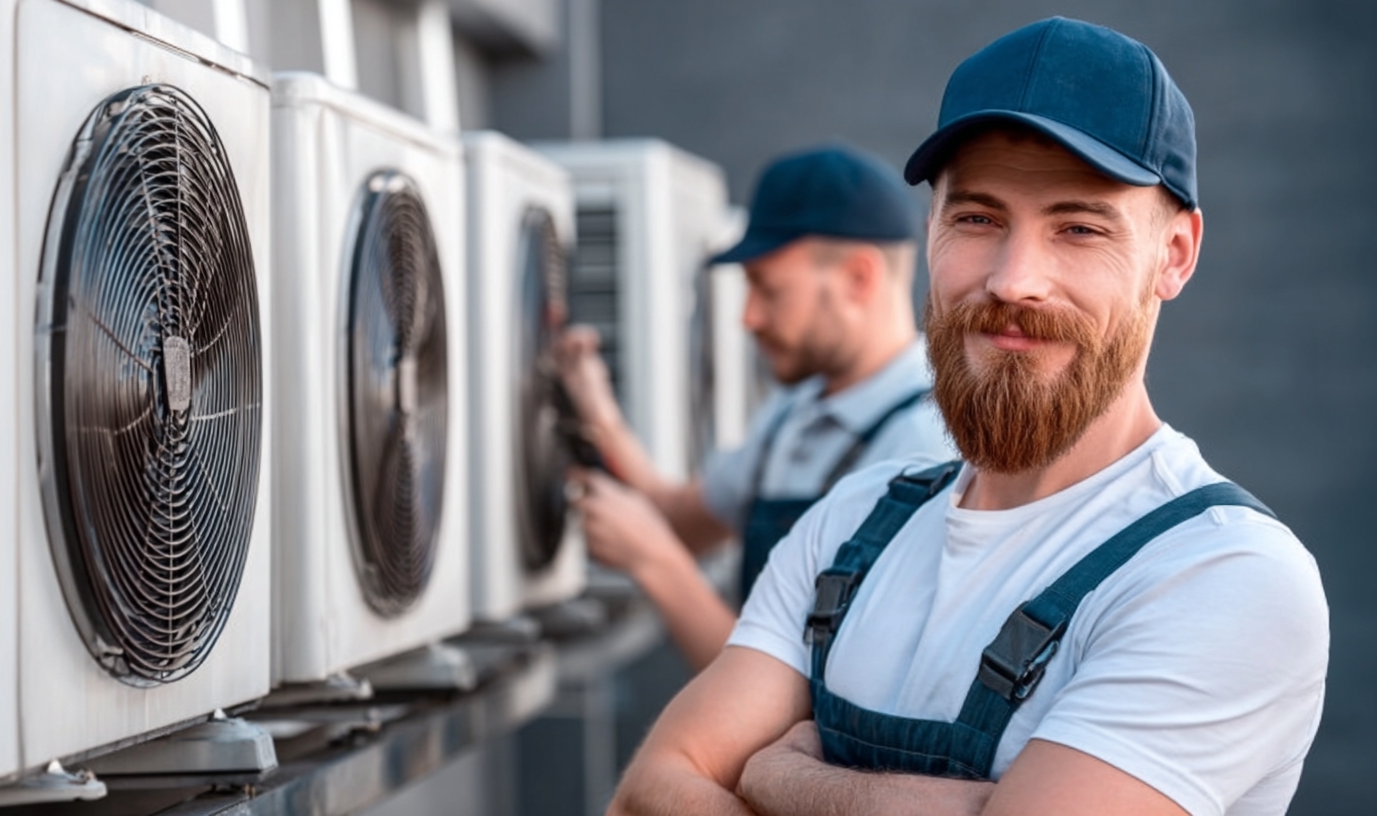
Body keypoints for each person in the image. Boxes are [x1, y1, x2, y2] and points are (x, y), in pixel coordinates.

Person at [609, 17, 1328, 816]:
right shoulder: (849, 524)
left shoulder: (1222, 577)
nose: (1015, 279)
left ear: (1175, 255)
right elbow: (648, 793)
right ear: (930, 231)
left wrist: (781, 777)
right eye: (979, 219)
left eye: (1079, 228)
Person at [558, 144, 954, 670]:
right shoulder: (794, 412)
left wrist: (655, 562)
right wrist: (598, 411)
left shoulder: (926, 447)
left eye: (769, 290)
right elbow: (680, 520)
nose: (747, 317)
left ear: (859, 278)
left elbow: (801, 695)